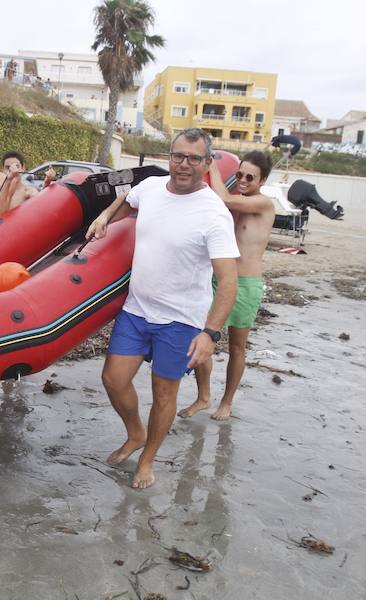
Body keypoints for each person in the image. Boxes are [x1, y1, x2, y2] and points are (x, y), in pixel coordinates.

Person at [84, 128, 239, 489]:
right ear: (169, 156)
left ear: (207, 163)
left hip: (181, 320)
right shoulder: (152, 186)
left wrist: (210, 334)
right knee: (113, 379)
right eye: (177, 156)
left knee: (163, 393)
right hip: (137, 309)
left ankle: (148, 459)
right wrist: (106, 215)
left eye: (193, 158)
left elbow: (228, 283)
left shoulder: (215, 214)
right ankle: (135, 433)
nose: (183, 164)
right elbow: (128, 200)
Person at [179, 151, 275, 422]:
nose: (243, 180)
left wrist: (216, 169)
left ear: (262, 180)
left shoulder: (262, 204)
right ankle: (203, 396)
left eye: (250, 177)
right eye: (239, 175)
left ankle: (227, 402)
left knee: (236, 347)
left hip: (246, 284)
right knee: (202, 336)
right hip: (218, 279)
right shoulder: (234, 204)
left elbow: (224, 197)